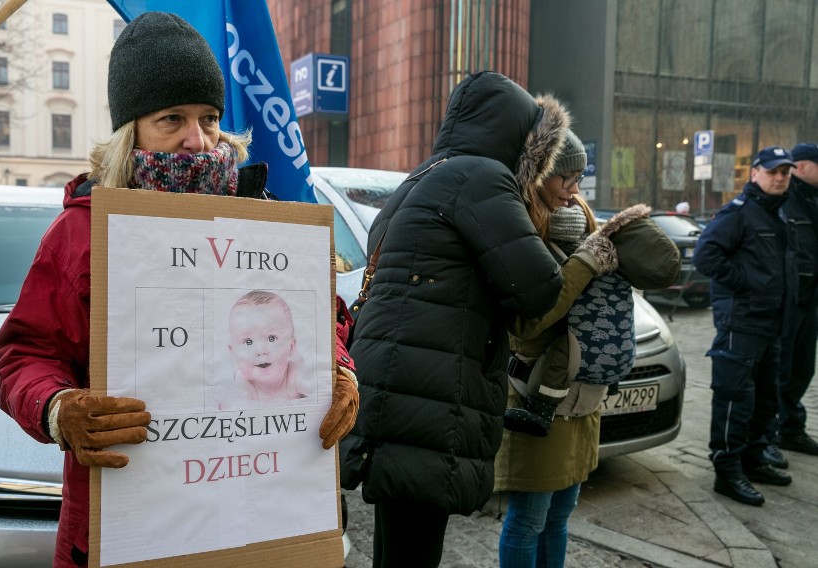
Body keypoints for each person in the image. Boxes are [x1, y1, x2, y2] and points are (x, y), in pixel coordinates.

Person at [0, 12, 358, 568]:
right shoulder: (83, 232)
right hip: (128, 531)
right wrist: (58, 408)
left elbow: (324, 318)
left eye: (209, 118)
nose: (197, 138)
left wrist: (340, 371)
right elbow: (24, 354)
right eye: (171, 118)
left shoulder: (266, 219)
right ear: (129, 129)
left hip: (257, 525)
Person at [339, 71, 567, 568]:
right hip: (429, 392)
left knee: (396, 541)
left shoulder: (419, 178)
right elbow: (538, 288)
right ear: (519, 139)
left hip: (392, 384)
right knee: (413, 547)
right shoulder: (481, 176)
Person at [494, 130, 679, 567]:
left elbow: (657, 267)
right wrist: (584, 265)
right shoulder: (519, 232)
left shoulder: (587, 228)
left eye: (579, 177)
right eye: (566, 178)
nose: (575, 189)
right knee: (528, 521)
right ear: (539, 175)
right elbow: (528, 324)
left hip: (585, 403)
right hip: (537, 401)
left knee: (559, 518)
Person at [693, 146, 795, 507]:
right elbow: (705, 254)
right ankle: (727, 470)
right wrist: (744, 283)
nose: (780, 177)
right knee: (734, 397)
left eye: (785, 172)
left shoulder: (777, 214)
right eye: (773, 171)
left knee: (766, 397)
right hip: (742, 320)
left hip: (771, 322)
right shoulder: (739, 214)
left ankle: (753, 458)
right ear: (754, 174)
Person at [765, 142, 818, 460]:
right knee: (778, 371)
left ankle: (791, 428)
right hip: (786, 302)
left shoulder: (812, 201)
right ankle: (768, 433)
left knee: (802, 369)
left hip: (809, 300)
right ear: (804, 166)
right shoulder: (783, 200)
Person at [223, 290, 304, 406]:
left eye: (272, 338)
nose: (261, 351)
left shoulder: (295, 373)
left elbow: (321, 389)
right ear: (233, 353)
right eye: (248, 342)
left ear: (291, 347)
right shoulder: (242, 387)